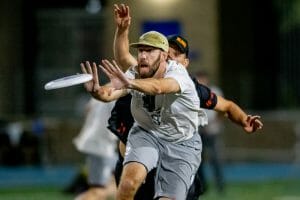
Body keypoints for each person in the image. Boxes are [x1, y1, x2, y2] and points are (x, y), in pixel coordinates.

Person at [112, 4, 263, 200]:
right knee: (129, 184)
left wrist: (244, 119)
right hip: (143, 151)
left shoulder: (191, 89)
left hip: (177, 149)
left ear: (185, 63)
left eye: (177, 54)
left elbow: (226, 106)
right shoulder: (142, 73)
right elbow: (124, 60)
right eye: (168, 51)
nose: (171, 57)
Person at [72, 98, 118, 200]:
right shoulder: (121, 93)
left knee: (121, 181)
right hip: (100, 146)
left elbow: (87, 110)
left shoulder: (102, 92)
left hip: (100, 144)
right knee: (99, 190)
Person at [196, 70, 226, 195]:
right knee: (199, 162)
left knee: (215, 159)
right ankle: (203, 186)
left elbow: (223, 110)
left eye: (202, 78)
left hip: (212, 132)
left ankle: (220, 186)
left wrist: (215, 124)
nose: (201, 81)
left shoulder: (215, 92)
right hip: (199, 132)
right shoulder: (194, 93)